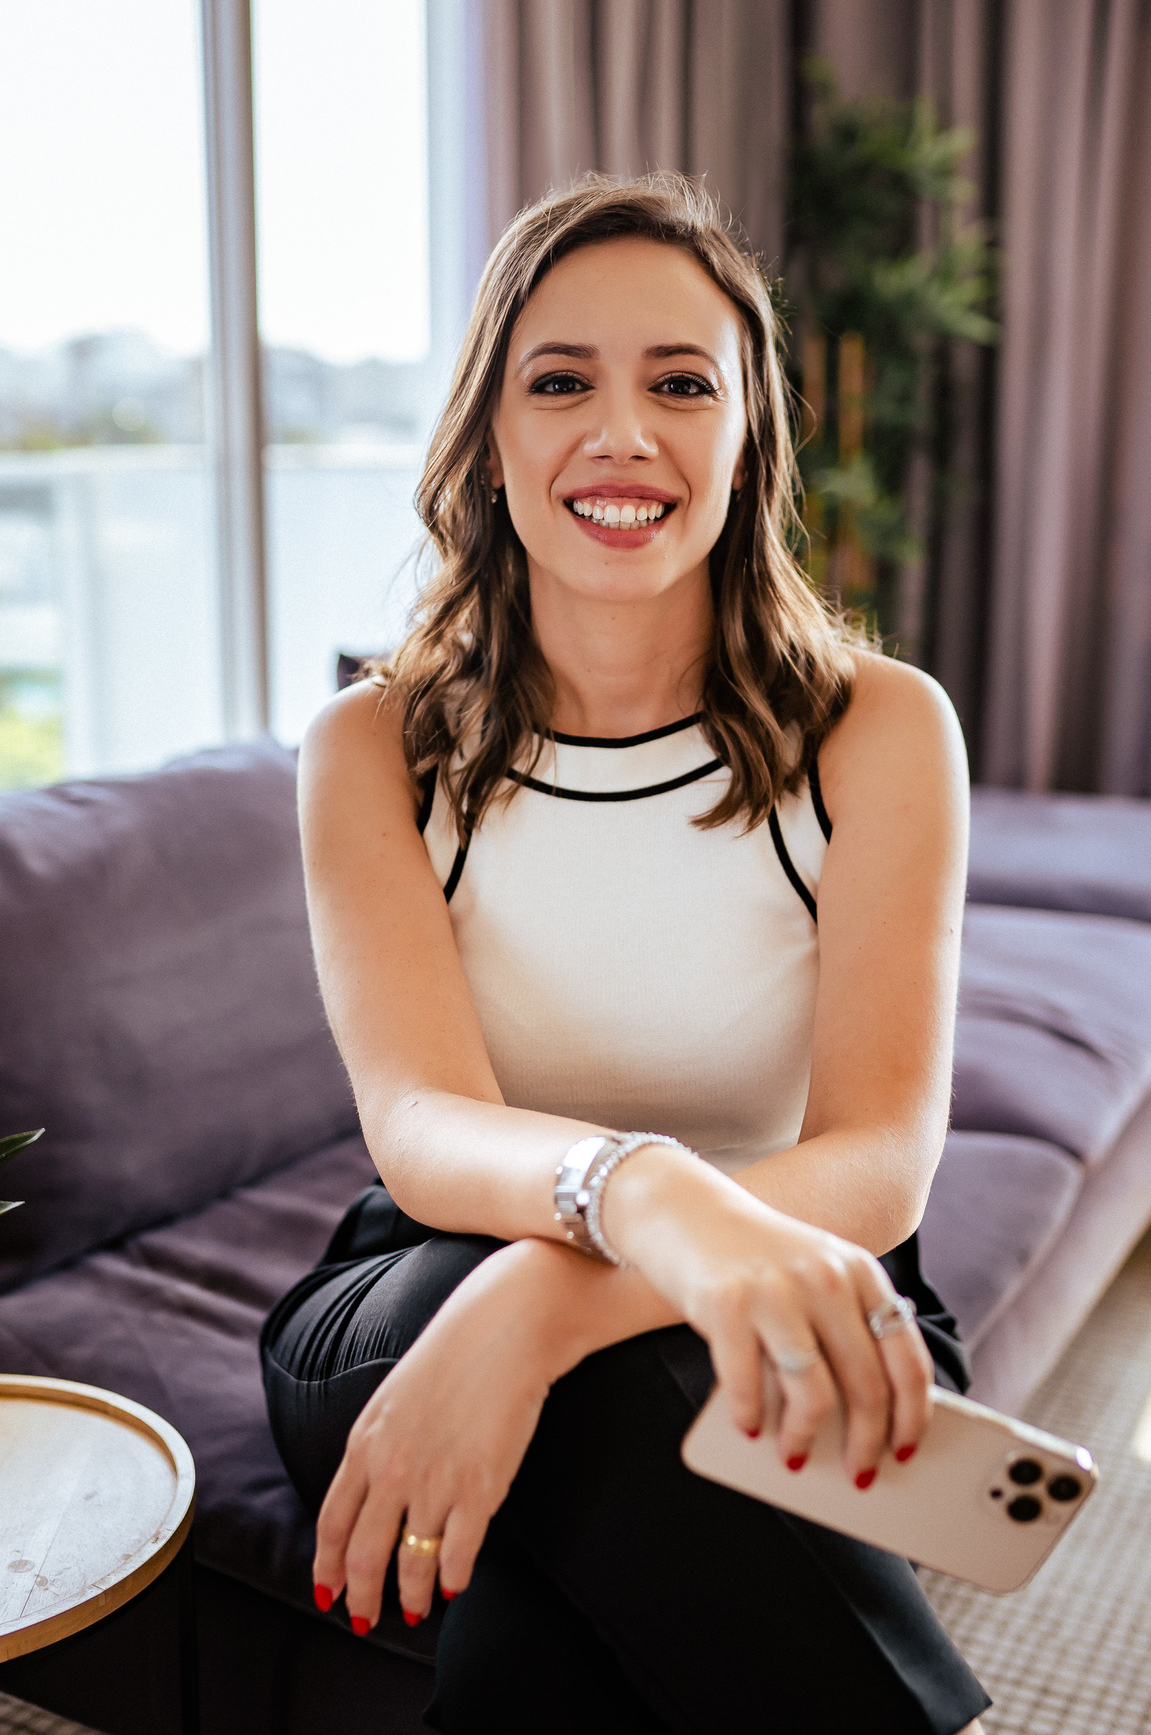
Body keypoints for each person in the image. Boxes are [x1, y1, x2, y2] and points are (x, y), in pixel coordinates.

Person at [261, 173, 991, 1735]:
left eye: (680, 384)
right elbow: (423, 1129)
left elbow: (879, 1165)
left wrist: (545, 1308)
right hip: (418, 1288)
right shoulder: (369, 745)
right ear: (488, 436)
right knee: (631, 1403)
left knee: (578, 1529)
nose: (622, 434)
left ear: (748, 433)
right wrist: (640, 1201)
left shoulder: (879, 728)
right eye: (559, 383)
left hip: (780, 1285)